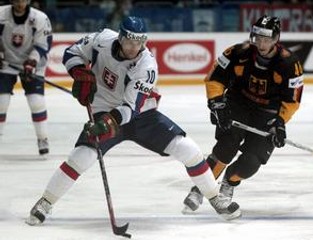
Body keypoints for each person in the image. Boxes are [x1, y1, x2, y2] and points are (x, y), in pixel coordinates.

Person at [26, 16, 241, 226]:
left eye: (139, 42)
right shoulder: (101, 39)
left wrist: (106, 124)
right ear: (120, 37)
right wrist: (80, 72)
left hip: (141, 116)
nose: (134, 47)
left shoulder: (146, 66)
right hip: (103, 111)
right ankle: (46, 202)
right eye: (130, 41)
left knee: (189, 150)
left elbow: (131, 108)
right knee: (81, 157)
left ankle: (214, 198)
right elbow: (72, 52)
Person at [183, 15, 304, 212]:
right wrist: (216, 104)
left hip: (267, 112)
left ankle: (229, 183)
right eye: (258, 38)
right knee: (226, 147)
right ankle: (200, 188)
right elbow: (215, 79)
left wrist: (280, 123)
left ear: (276, 39)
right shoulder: (237, 52)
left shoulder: (290, 64)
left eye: (267, 39)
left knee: (251, 162)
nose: (262, 44)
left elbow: (292, 100)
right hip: (238, 103)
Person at [0, 0, 52, 155]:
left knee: (36, 102)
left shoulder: (40, 18)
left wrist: (31, 62)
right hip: (6, 64)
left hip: (33, 65)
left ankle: (42, 138)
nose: (20, 2)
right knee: (1, 101)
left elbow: (43, 44)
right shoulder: (1, 14)